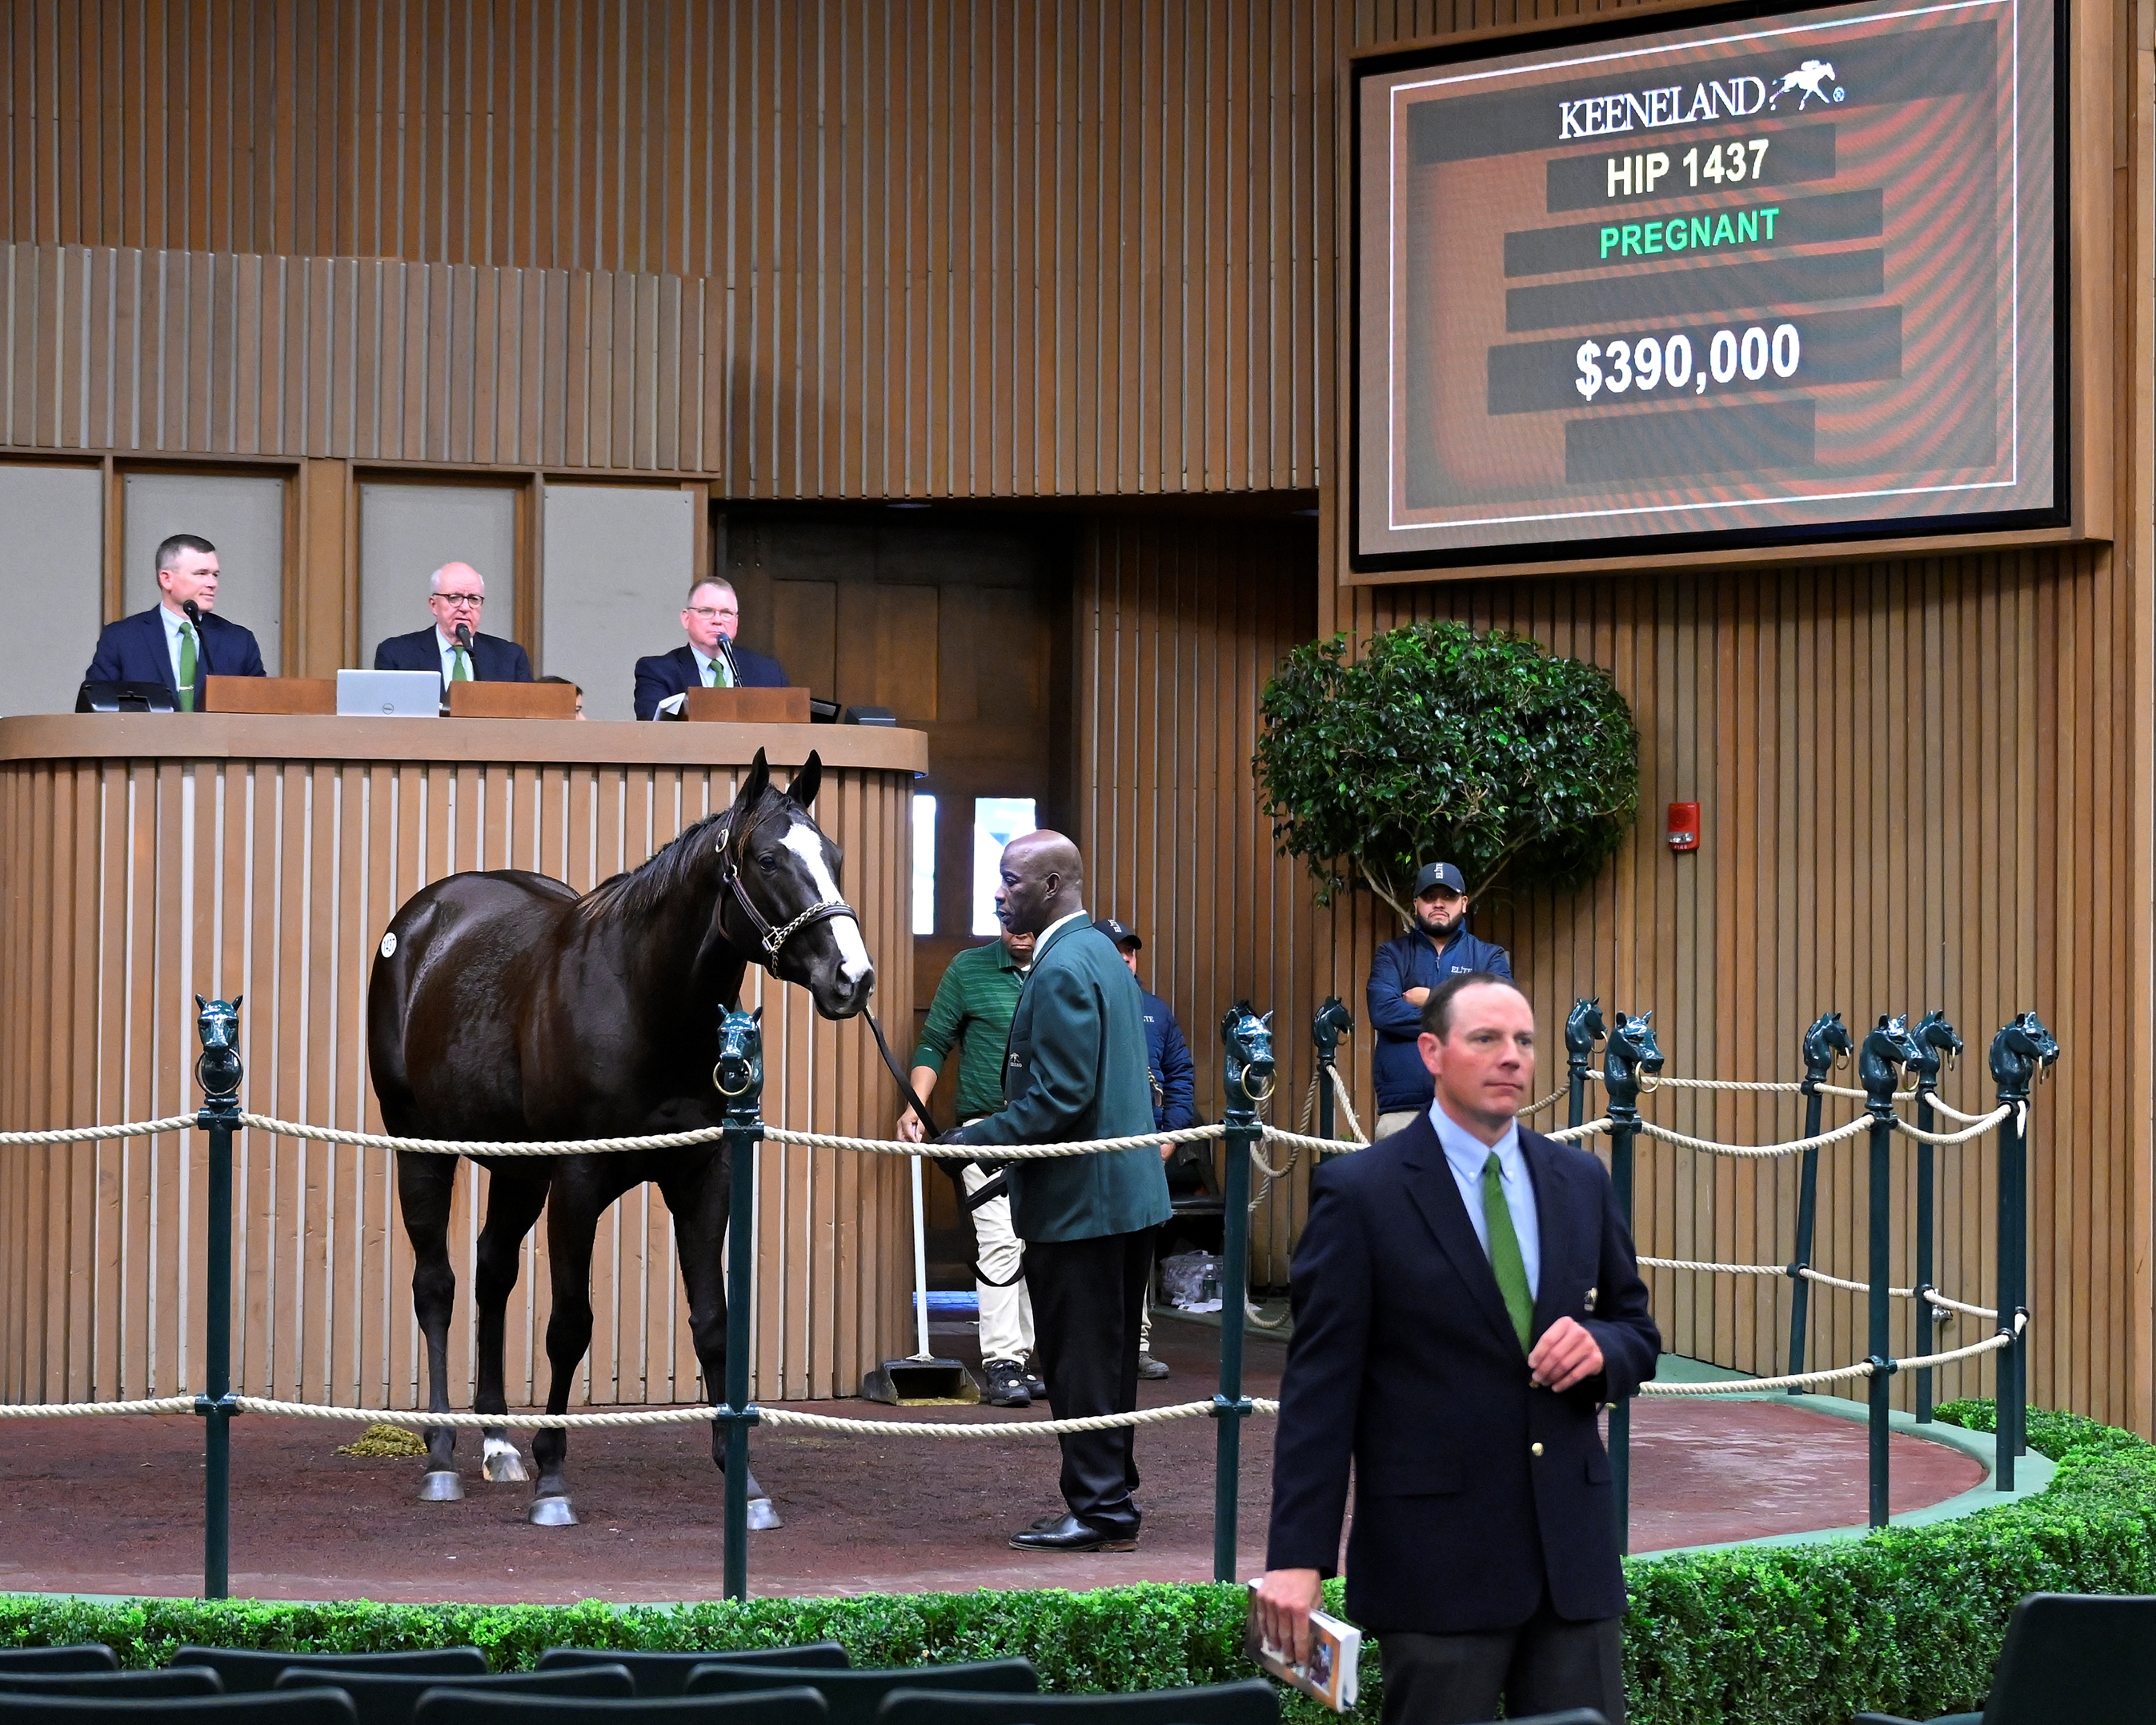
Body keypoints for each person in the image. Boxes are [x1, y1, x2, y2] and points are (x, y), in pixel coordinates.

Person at [1255, 973, 1659, 1725]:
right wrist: (1298, 1557)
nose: (1512, 1057)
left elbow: (1639, 1333)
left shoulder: (1580, 1180)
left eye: (1524, 1041)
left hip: (1572, 1567)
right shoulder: (1360, 1193)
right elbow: (1320, 1391)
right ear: (1432, 1052)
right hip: (1433, 1569)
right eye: (1487, 1039)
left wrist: (1602, 1348)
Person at [944, 832, 1170, 1553]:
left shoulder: (1064, 966)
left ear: (1049, 887)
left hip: (1083, 1206)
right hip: (1122, 1199)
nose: (1001, 892)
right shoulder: (1102, 951)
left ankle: (1100, 1508)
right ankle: (1112, 1498)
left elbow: (1060, 1099)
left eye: (1010, 880)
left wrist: (972, 1141)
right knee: (1103, 1360)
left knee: (1079, 1364)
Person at [900, 925, 1044, 1408]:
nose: (1018, 930)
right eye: (1008, 919)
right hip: (986, 1129)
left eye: (1027, 922)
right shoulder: (968, 968)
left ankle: (1022, 1359)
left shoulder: (1060, 968)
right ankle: (1003, 1362)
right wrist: (913, 1107)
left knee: (1035, 1241)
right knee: (1000, 1240)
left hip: (1050, 1132)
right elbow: (933, 1042)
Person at [1093, 917, 1194, 1381]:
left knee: (1139, 1250)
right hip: (1093, 1151)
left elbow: (1181, 1075)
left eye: (1130, 952)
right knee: (1092, 1249)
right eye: (1115, 951)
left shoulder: (1157, 1010)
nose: (1125, 959)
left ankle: (1136, 1346)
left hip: (1148, 1148)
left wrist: (1172, 1134)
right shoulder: (1084, 1002)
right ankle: (1090, 1348)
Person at [1369, 862, 1513, 1140]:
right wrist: (1467, 1020)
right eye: (1429, 896)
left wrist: (1432, 998)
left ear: (1464, 903)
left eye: (1447, 896)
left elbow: (1501, 1013)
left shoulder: (1488, 957)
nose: (1438, 904)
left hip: (1474, 1110)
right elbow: (1383, 1012)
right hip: (1403, 1112)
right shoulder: (1392, 955)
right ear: (1416, 904)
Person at [84, 534, 266, 711]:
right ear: (167, 579)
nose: (212, 583)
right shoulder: (122, 638)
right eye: (201, 573)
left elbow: (262, 709)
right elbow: (95, 708)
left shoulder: (239, 642)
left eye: (215, 575)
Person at [633, 578, 790, 720]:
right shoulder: (657, 672)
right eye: (706, 611)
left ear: (736, 621)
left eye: (726, 613)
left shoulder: (768, 673)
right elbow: (651, 729)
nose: (717, 620)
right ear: (686, 619)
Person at [373, 563, 533, 688]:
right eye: (454, 598)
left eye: (474, 599)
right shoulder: (397, 655)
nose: (465, 607)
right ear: (434, 605)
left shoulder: (509, 657)